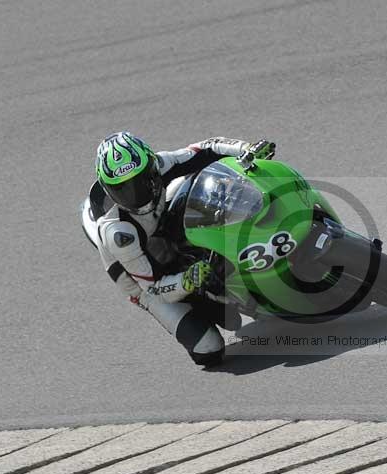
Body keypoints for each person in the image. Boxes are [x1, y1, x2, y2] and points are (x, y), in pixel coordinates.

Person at [94, 131, 275, 367]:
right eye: (122, 189)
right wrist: (187, 281)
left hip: (164, 221)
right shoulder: (119, 233)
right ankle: (200, 300)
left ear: (152, 167)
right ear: (108, 189)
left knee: (210, 191)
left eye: (139, 182)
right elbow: (155, 287)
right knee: (209, 350)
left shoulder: (161, 164)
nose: (134, 195)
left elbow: (207, 148)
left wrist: (246, 150)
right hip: (147, 284)